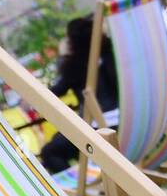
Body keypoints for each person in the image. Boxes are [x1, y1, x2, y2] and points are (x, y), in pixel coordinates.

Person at [39, 16, 117, 173]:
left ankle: (81, 185)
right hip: (128, 123)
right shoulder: (112, 55)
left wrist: (63, 56)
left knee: (50, 152)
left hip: (99, 130)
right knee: (59, 140)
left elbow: (52, 93)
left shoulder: (75, 65)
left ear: (72, 42)